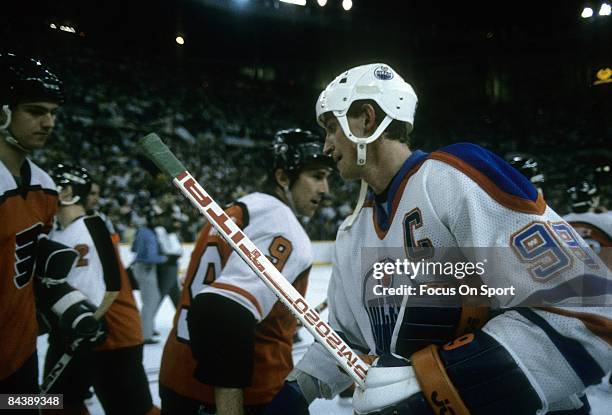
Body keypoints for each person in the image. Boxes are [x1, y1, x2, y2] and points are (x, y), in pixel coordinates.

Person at [267, 63, 612, 415]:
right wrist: (299, 388)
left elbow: (587, 310)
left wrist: (442, 385)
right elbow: (350, 338)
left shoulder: (454, 176)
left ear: (367, 119)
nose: (326, 146)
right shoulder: (352, 230)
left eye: (331, 128)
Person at [158, 128, 333, 415]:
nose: (325, 190)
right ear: (283, 177)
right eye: (316, 176)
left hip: (178, 379)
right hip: (246, 394)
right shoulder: (282, 224)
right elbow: (225, 312)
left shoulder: (233, 211)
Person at [0, 53, 102, 408]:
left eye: (53, 112)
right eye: (35, 110)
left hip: (22, 354)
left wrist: (71, 306)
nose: (48, 122)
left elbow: (30, 274)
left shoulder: (44, 186)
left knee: (26, 406)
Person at [42, 163, 160, 415]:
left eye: (49, 189)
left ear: (66, 192)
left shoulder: (90, 228)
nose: (42, 195)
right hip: (79, 335)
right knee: (53, 404)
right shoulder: (56, 231)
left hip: (111, 337)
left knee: (133, 411)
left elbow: (87, 300)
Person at [131, 211, 167, 343]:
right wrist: (165, 258)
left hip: (140, 266)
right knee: (150, 301)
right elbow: (151, 257)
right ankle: (145, 334)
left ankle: (148, 328)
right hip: (147, 267)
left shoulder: (141, 231)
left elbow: (133, 249)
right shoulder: (150, 234)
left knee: (153, 298)